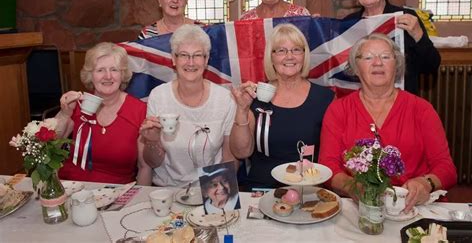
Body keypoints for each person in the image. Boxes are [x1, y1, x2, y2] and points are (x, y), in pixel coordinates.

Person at [318, 33, 457, 213]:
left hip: (414, 208)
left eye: (385, 56)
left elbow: (446, 167)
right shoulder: (338, 110)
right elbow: (328, 167)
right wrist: (352, 186)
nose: (378, 63)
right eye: (368, 57)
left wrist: (427, 182)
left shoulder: (421, 109)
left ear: (396, 64)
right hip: (359, 207)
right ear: (356, 67)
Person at [230, 23, 334, 189]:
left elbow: (332, 156)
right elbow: (241, 152)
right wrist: (242, 109)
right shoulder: (255, 96)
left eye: (296, 50)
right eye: (281, 50)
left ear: (304, 55)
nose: (289, 56)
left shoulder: (325, 98)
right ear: (271, 57)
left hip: (307, 189)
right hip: (261, 189)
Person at [139, 24, 237, 187]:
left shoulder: (225, 98)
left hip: (211, 189)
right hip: (166, 189)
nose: (190, 62)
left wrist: (218, 203)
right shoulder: (159, 96)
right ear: (173, 59)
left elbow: (228, 157)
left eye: (197, 55)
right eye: (184, 55)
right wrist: (152, 141)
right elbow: (153, 162)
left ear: (206, 60)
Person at [56, 42, 149, 184]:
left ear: (122, 74)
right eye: (100, 70)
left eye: (114, 70)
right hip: (72, 188)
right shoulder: (77, 103)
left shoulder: (139, 110)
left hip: (116, 194)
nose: (108, 76)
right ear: (90, 75)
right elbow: (48, 147)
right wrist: (64, 114)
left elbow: (145, 167)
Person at [344, 0, 440, 95]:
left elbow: (431, 66)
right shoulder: (349, 23)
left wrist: (419, 35)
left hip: (401, 103)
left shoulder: (406, 17)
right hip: (362, 102)